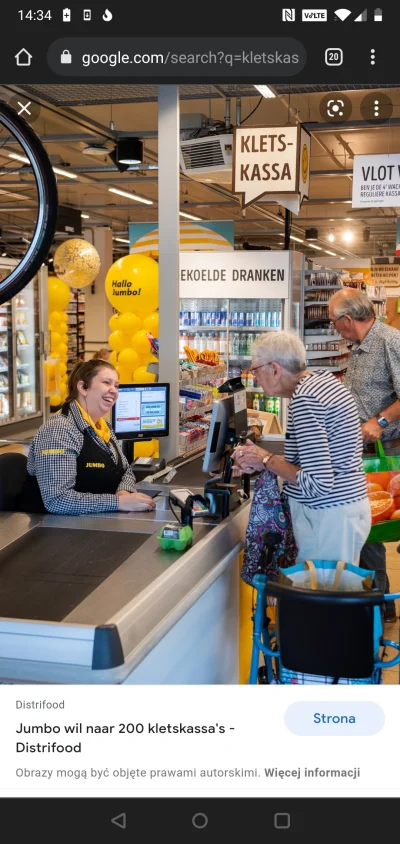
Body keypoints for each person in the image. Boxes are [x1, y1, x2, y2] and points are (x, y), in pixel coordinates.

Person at [233, 331, 371, 565]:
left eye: (255, 370)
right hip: (344, 511)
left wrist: (266, 459)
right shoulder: (322, 383)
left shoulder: (306, 400)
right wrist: (263, 464)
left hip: (328, 517)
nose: (254, 377)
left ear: (275, 369)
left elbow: (317, 482)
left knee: (321, 596)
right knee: (336, 591)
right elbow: (316, 459)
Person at [329, 287, 400, 622]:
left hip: (386, 450)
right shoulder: (357, 347)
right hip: (361, 451)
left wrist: (380, 421)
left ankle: (381, 604)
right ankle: (375, 603)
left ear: (347, 319)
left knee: (375, 525)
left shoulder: (389, 341)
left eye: (333, 321)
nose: (332, 327)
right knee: (364, 526)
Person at [17, 359, 156, 516]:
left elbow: (125, 470)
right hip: (54, 531)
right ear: (83, 387)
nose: (114, 390)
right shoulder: (59, 431)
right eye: (106, 383)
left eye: (116, 386)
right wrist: (118, 502)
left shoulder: (103, 427)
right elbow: (57, 500)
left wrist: (123, 491)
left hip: (96, 522)